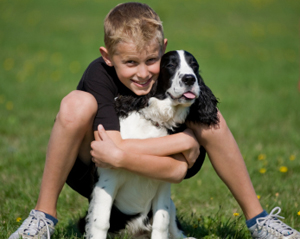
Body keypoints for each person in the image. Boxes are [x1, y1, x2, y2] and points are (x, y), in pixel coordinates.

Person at [9, 2, 300, 239]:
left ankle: (259, 221)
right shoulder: (100, 74)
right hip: (95, 165)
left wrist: (180, 146)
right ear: (108, 57)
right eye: (130, 63)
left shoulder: (173, 71)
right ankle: (42, 217)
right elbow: (111, 151)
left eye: (151, 60)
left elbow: (121, 152)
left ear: (163, 48)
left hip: (145, 162)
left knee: (213, 119)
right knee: (76, 103)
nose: (144, 73)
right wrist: (181, 149)